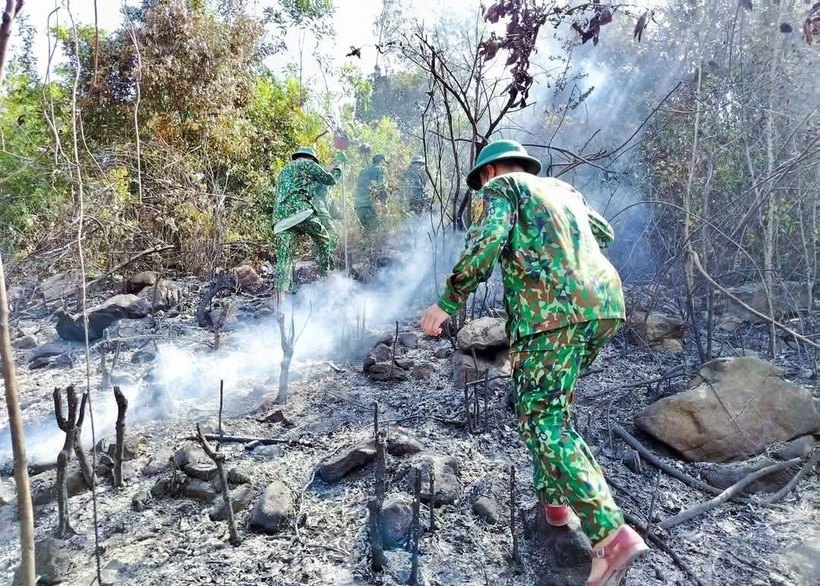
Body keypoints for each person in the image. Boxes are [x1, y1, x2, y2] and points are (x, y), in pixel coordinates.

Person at [419, 140, 647, 586]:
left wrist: (447, 301)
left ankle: (610, 535)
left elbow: (487, 242)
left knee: (541, 419)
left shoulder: (499, 188)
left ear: (487, 173)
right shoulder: (563, 191)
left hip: (551, 313)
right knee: (550, 411)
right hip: (603, 305)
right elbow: (604, 234)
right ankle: (555, 507)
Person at [273, 146, 345, 294]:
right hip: (301, 211)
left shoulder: (284, 170)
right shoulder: (308, 164)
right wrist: (338, 169)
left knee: (284, 261)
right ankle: (326, 276)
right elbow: (329, 179)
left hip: (280, 220)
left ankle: (281, 301)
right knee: (324, 238)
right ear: (311, 158)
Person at [355, 153, 388, 229]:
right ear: (382, 161)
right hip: (370, 205)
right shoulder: (381, 169)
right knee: (377, 231)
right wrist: (384, 204)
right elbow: (382, 187)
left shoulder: (362, 171)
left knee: (369, 232)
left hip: (358, 205)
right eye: (384, 162)